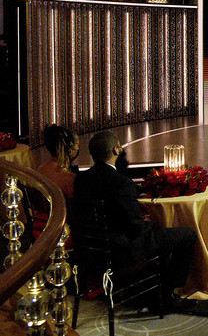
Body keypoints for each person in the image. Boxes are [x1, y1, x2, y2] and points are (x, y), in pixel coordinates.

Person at [73, 131, 197, 308]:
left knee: (158, 232)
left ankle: (149, 287)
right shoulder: (122, 183)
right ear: (116, 150)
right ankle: (168, 295)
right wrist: (148, 222)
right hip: (123, 249)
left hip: (92, 248)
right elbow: (136, 228)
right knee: (187, 235)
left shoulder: (81, 180)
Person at [37, 124, 79, 200]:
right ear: (69, 148)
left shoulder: (40, 169)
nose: (78, 148)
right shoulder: (70, 179)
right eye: (77, 145)